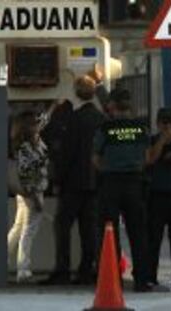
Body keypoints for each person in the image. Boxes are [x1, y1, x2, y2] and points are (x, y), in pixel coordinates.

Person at [41, 75, 104, 285]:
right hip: (95, 183)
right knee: (89, 229)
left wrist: (57, 179)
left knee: (62, 226)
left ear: (76, 93)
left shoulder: (74, 119)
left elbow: (66, 153)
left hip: (72, 184)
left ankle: (62, 269)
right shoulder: (101, 119)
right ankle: (87, 270)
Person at [92, 88, 151, 292]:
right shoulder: (141, 128)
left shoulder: (106, 129)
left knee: (109, 232)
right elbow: (148, 157)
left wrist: (109, 169)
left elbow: (95, 158)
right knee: (138, 233)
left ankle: (113, 279)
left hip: (111, 183)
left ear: (112, 106)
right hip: (135, 183)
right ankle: (142, 280)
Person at [146, 108, 171, 292]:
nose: (167, 126)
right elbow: (149, 160)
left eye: (170, 122)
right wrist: (162, 140)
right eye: (163, 122)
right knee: (153, 240)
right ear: (158, 123)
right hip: (156, 197)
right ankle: (150, 279)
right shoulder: (152, 141)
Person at [7, 111, 49, 283]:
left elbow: (45, 120)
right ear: (28, 127)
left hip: (25, 192)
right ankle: (23, 270)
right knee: (28, 231)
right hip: (32, 191)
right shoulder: (26, 147)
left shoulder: (28, 143)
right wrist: (35, 196)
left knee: (18, 228)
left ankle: (2, 259)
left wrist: (54, 105)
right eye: (35, 123)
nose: (38, 125)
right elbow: (26, 172)